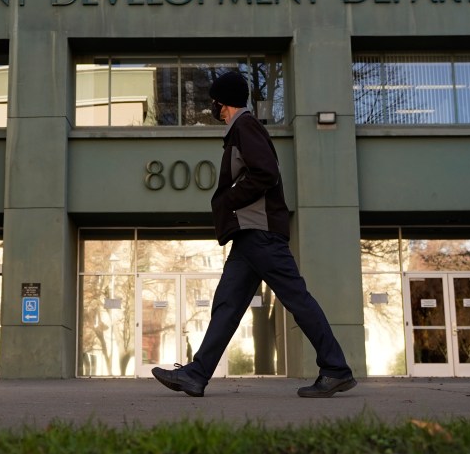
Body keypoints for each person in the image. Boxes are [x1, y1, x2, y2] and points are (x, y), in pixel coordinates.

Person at [151, 70, 357, 398]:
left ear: (223, 102)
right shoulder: (241, 130)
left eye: (215, 102)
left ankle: (335, 368)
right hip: (250, 235)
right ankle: (197, 374)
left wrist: (229, 199)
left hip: (259, 232)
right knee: (227, 303)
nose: (213, 107)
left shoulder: (246, 127)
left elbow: (266, 173)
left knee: (295, 298)